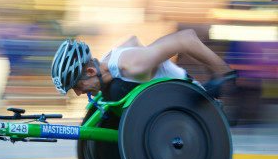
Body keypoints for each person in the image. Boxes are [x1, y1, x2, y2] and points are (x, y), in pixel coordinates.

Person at [51, 29, 237, 101]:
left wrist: (225, 74)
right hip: (163, 101)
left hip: (190, 102)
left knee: (116, 89)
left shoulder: (134, 66)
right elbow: (132, 39)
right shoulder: (111, 59)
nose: (78, 93)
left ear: (91, 71)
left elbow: (186, 38)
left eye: (77, 86)